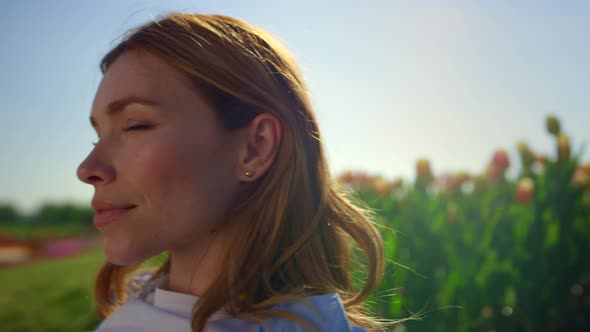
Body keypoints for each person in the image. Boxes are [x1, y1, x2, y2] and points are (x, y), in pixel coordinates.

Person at [76, 12, 386, 332]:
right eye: (99, 135)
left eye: (135, 125)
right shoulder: (140, 303)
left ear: (256, 147)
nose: (87, 169)